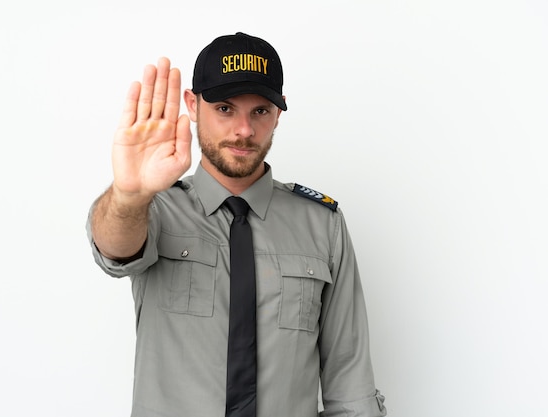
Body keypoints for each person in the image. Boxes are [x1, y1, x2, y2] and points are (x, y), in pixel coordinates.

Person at [86, 32, 386, 417]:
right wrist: (129, 196)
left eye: (259, 111)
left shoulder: (321, 224)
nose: (244, 130)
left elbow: (350, 384)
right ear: (193, 105)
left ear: (279, 113)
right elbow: (115, 251)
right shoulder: (154, 208)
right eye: (225, 109)